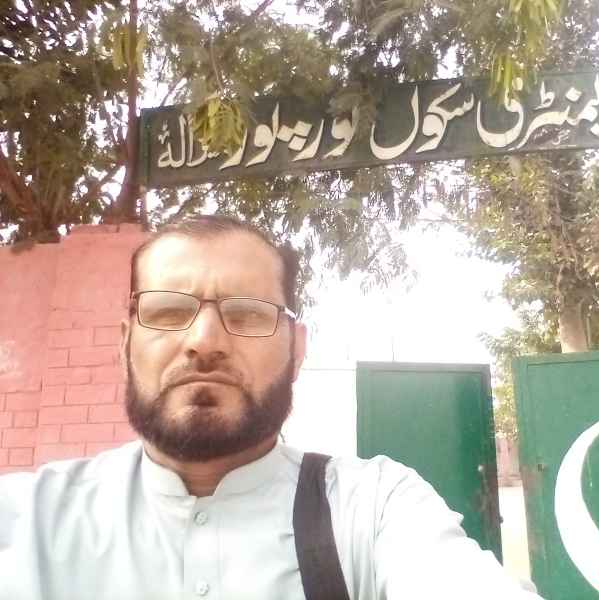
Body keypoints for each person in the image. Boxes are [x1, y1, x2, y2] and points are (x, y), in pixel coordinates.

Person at [0, 215, 544, 600]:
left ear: (297, 350)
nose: (204, 342)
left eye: (247, 313)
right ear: (125, 345)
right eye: (167, 312)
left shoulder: (373, 510)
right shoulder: (27, 520)